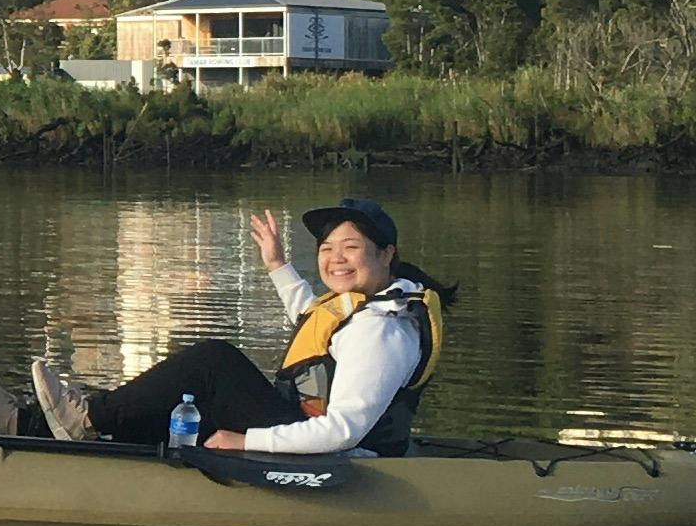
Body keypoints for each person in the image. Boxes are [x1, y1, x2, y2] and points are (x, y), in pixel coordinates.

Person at [28, 197, 450, 459]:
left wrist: (244, 442)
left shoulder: (383, 330)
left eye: (351, 248)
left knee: (213, 363)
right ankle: (32, 424)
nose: (335, 259)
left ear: (386, 253)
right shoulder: (365, 310)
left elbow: (342, 432)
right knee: (185, 401)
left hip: (349, 460)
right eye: (327, 249)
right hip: (304, 428)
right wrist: (277, 264)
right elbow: (315, 325)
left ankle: (84, 420)